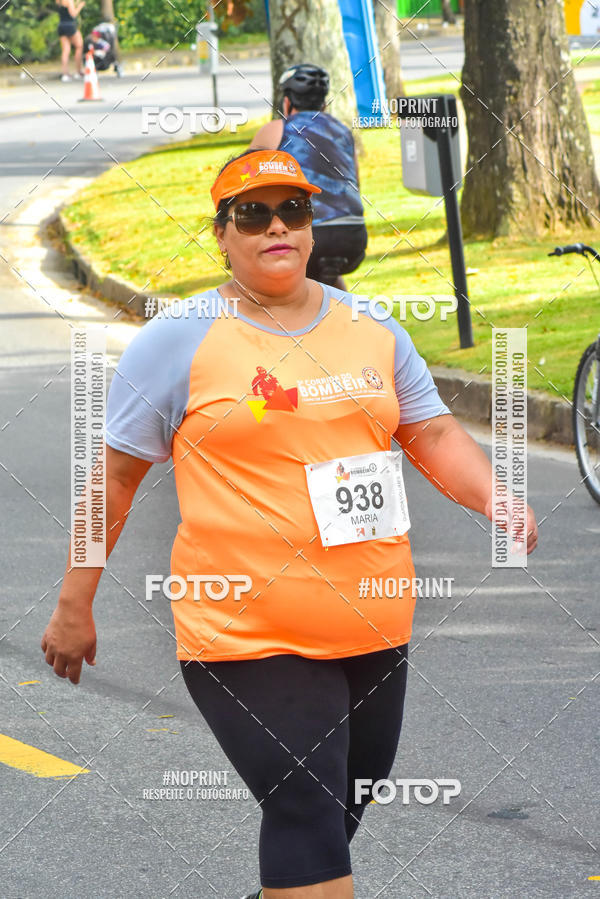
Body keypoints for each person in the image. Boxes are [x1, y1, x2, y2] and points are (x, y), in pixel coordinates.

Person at [40, 147, 538, 899]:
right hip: (243, 627)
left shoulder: (372, 326)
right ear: (221, 234)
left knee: (339, 808)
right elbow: (113, 479)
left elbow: (432, 431)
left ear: (311, 227)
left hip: (371, 620)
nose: (276, 226)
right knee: (306, 803)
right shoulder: (179, 339)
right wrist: (73, 603)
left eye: (293, 210)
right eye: (253, 214)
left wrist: (496, 496)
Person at [250, 63, 367, 291]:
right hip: (352, 235)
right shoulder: (343, 131)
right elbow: (356, 185)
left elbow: (244, 180)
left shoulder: (276, 130)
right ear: (324, 104)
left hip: (310, 234)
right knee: (328, 284)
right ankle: (349, 312)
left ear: (287, 103)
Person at [56, 0, 85, 82]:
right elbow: (73, 14)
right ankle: (78, 71)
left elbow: (65, 10)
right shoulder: (69, 0)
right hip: (70, 25)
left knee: (65, 50)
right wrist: (80, 6)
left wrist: (76, 3)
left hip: (61, 26)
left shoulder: (58, 1)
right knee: (79, 46)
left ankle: (65, 74)